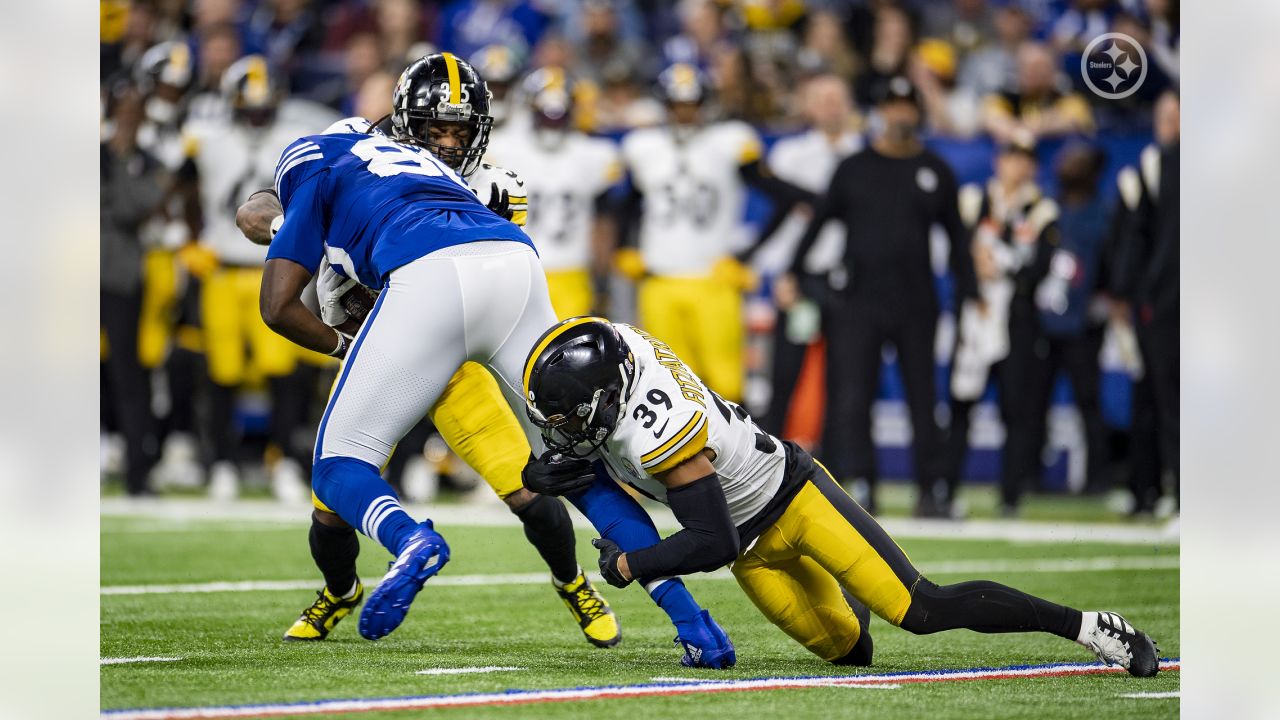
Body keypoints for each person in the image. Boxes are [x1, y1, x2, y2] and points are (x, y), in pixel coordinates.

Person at [241, 53, 734, 667]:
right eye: (434, 130)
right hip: (513, 269)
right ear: (404, 127)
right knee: (575, 468)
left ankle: (411, 539)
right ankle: (695, 624)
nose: (446, 144)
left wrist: (344, 332)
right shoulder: (410, 167)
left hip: (428, 298)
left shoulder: (326, 160)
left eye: (458, 130)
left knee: (339, 468)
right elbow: (259, 209)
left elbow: (273, 283)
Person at [521, 316, 1160, 677]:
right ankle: (854, 580)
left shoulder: (658, 430)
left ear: (611, 396)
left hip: (791, 500)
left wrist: (629, 565)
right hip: (749, 546)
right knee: (852, 654)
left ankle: (1089, 629)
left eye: (577, 416)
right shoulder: (617, 349)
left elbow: (709, 543)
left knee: (919, 609)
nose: (567, 429)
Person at [782, 77, 977, 515]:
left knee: (923, 399)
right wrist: (793, 271)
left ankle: (930, 491)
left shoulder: (935, 170)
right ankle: (863, 486)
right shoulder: (854, 167)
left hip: (916, 304)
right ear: (880, 111)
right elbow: (819, 223)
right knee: (854, 397)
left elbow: (958, 240)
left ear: (918, 112)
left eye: (907, 105)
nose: (900, 114)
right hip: (859, 303)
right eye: (892, 105)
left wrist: (971, 293)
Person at [616, 63, 812, 403]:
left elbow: (785, 197)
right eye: (676, 106)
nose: (683, 114)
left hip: (713, 280)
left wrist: (746, 254)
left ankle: (737, 457)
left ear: (705, 106)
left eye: (690, 105)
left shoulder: (728, 143)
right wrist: (625, 247)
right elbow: (627, 204)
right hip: (659, 280)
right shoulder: (644, 147)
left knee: (727, 387)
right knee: (667, 388)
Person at [179, 55, 325, 503]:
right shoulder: (208, 141)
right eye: (250, 108)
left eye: (265, 108)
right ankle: (222, 461)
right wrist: (192, 237)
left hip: (273, 269)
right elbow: (184, 188)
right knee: (222, 372)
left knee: (281, 374)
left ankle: (279, 461)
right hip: (222, 269)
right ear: (232, 104)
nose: (258, 117)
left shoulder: (292, 141)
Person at [944, 135, 1059, 516]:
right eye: (1012, 156)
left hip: (1016, 321)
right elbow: (954, 251)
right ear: (999, 160)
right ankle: (947, 490)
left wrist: (1005, 267)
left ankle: (1011, 494)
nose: (1017, 165)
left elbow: (1043, 266)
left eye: (1026, 158)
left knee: (1017, 408)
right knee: (962, 403)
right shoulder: (974, 201)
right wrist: (974, 271)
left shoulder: (1041, 210)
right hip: (975, 316)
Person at [748, 73, 862, 436]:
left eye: (837, 96)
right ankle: (771, 458)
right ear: (809, 106)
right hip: (803, 276)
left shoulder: (863, 156)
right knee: (785, 373)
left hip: (849, 278)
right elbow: (781, 220)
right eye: (822, 97)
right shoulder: (791, 155)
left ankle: (839, 464)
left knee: (845, 376)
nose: (831, 105)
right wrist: (783, 274)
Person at [485, 67, 621, 319]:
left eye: (558, 117)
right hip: (518, 271)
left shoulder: (594, 154)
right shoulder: (502, 149)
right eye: (546, 116)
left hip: (573, 271)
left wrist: (603, 279)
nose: (552, 124)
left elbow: (603, 224)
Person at [1112, 90, 1179, 513]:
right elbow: (1133, 237)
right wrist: (1127, 291)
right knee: (1157, 398)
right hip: (1159, 302)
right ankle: (1156, 489)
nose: (1170, 122)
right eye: (1165, 114)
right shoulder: (1152, 166)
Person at [101, 84, 165, 497]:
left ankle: (137, 473)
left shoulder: (146, 162)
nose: (127, 119)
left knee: (129, 375)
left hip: (122, 277)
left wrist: (119, 165)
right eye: (121, 111)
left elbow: (133, 207)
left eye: (133, 112)